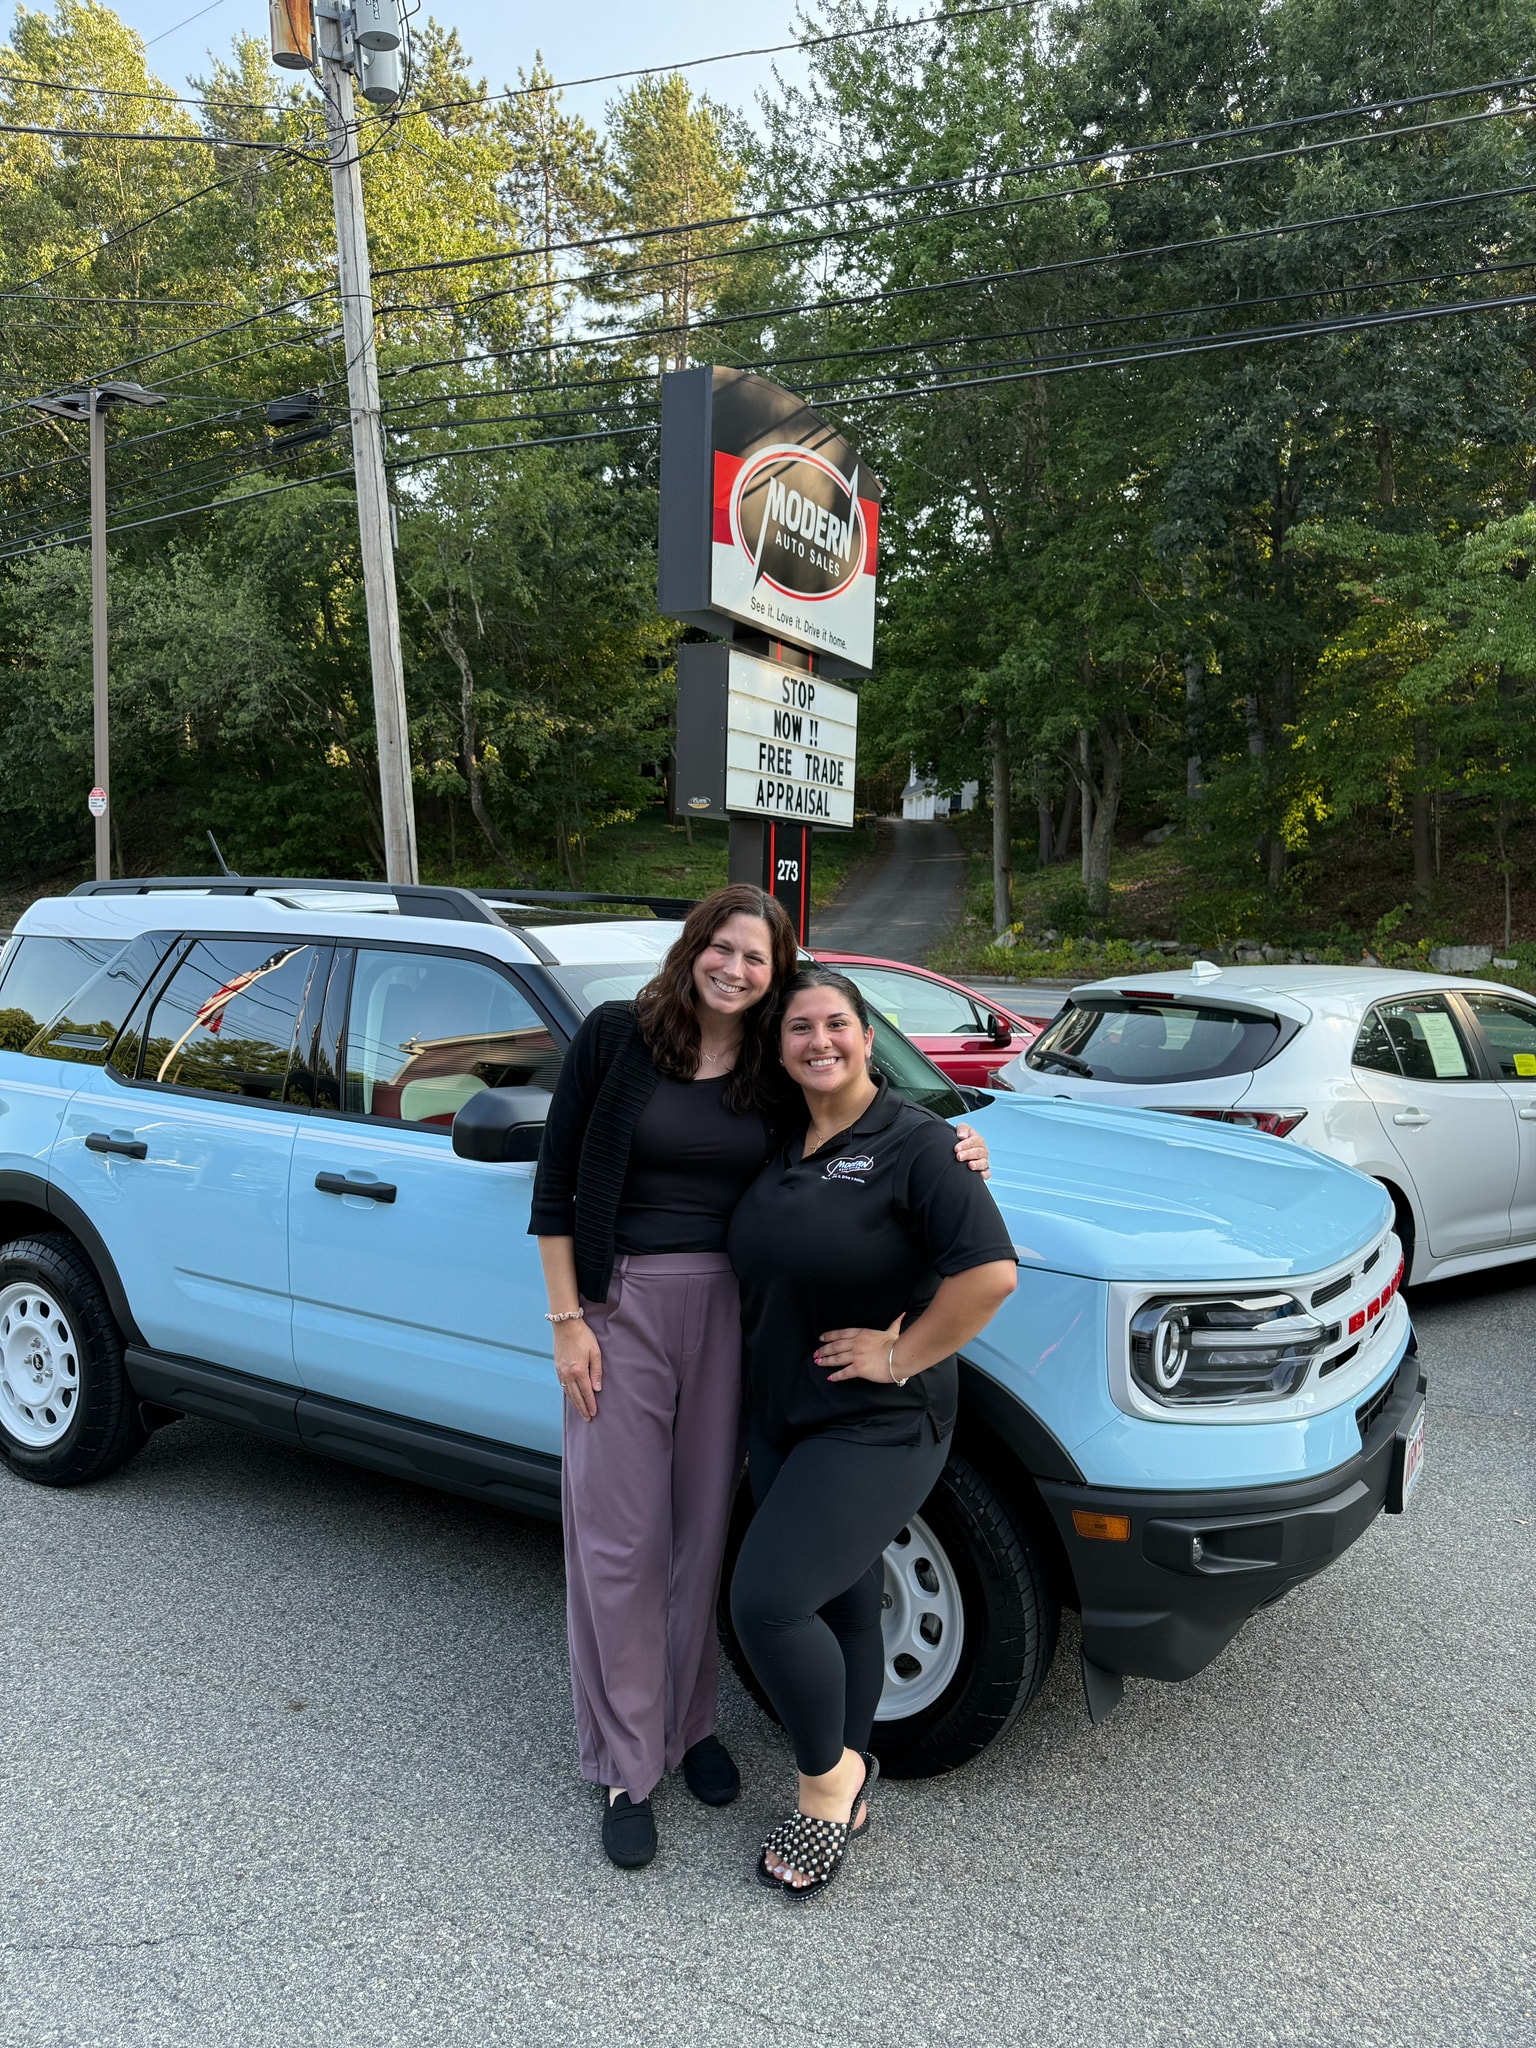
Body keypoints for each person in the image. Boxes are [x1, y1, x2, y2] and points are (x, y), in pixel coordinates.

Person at [531, 887, 991, 1870]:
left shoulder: (772, 1065)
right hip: (620, 1309)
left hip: (734, 1317)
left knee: (704, 1532)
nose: (736, 968)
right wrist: (567, 1318)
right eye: (723, 947)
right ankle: (625, 1759)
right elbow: (555, 1182)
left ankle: (689, 1725)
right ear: (694, 948)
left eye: (758, 958)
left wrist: (962, 1143)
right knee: (622, 1540)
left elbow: (858, 1111)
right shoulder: (616, 1037)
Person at [727, 967, 1018, 1899]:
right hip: (782, 1410)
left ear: (867, 1033)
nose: (821, 1040)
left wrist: (900, 1356)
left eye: (838, 1024)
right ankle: (851, 1768)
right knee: (841, 1597)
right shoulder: (777, 1136)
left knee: (766, 1604)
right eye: (800, 1027)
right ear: (777, 1048)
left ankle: (826, 1787)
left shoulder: (921, 1145)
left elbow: (990, 1276)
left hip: (881, 1421)